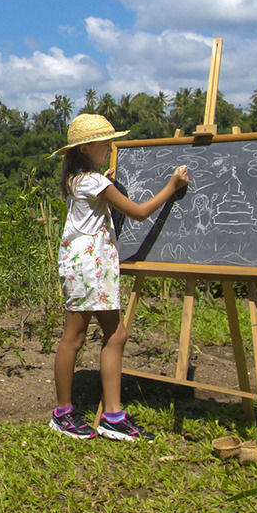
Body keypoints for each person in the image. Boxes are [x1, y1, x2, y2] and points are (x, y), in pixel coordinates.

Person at [49, 113, 188, 442]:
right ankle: (66, 413)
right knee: (77, 337)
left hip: (86, 265)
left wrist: (105, 182)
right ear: (85, 149)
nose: (110, 148)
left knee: (114, 334)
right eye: (105, 144)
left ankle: (110, 415)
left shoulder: (80, 180)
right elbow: (138, 213)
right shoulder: (95, 182)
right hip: (90, 267)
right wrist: (172, 187)